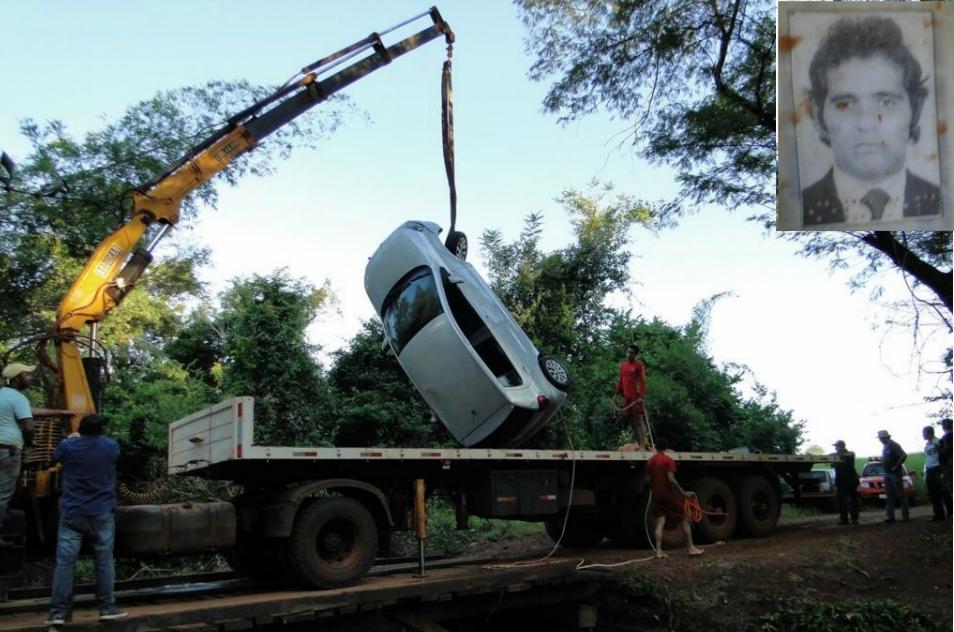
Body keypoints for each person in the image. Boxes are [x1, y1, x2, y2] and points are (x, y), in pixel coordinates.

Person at [802, 16, 941, 226]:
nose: (866, 123)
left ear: (916, 108)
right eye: (845, 104)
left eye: (886, 102)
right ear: (817, 113)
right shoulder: (799, 207)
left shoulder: (941, 201)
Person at [47, 415, 126, 625]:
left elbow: (53, 458)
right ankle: (107, 608)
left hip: (72, 514)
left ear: (80, 429)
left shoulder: (69, 446)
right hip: (101, 514)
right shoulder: (111, 447)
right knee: (104, 561)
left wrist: (72, 439)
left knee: (64, 564)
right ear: (101, 430)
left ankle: (58, 613)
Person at [644, 438, 703, 559]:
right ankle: (691, 548)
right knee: (685, 518)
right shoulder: (668, 460)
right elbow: (671, 479)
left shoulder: (650, 461)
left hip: (656, 496)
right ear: (666, 448)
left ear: (656, 447)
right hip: (668, 495)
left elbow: (648, 479)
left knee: (660, 522)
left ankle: (659, 552)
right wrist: (683, 493)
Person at [0, 363, 37, 540]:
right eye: (26, 375)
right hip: (8, 450)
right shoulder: (18, 398)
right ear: (16, 378)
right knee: (3, 494)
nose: (29, 378)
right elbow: (29, 427)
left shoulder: (2, 394)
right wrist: (30, 443)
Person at [615, 345, 649, 450]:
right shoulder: (623, 366)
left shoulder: (639, 366)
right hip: (627, 397)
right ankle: (638, 443)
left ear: (635, 354)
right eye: (628, 352)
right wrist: (616, 394)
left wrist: (641, 396)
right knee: (632, 422)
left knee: (638, 420)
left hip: (636, 397)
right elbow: (620, 381)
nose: (629, 355)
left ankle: (644, 444)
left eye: (631, 353)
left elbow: (642, 381)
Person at [877, 430, 909, 523]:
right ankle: (891, 516)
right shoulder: (885, 446)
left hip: (895, 473)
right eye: (880, 438)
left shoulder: (894, 445)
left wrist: (896, 466)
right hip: (887, 473)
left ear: (886, 438)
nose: (880, 440)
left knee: (900, 494)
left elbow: (903, 455)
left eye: (881, 438)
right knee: (889, 495)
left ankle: (905, 516)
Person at [922, 425, 948, 521]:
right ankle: (937, 514)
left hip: (936, 469)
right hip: (929, 469)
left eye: (924, 433)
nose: (922, 435)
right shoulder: (927, 444)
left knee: (937, 492)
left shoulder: (938, 442)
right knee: (932, 493)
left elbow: (943, 455)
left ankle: (942, 514)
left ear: (929, 433)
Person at [832, 440, 860, 525]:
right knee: (842, 501)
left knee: (853, 500)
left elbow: (851, 454)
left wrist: (836, 455)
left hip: (850, 481)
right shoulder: (836, 456)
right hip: (842, 482)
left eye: (837, 446)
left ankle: (854, 518)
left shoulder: (850, 454)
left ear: (841, 447)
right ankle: (845, 519)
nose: (836, 448)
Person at [939, 418, 953, 517]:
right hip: (947, 465)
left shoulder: (946, 438)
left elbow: (947, 450)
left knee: (950, 488)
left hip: (949, 465)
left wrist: (940, 449)